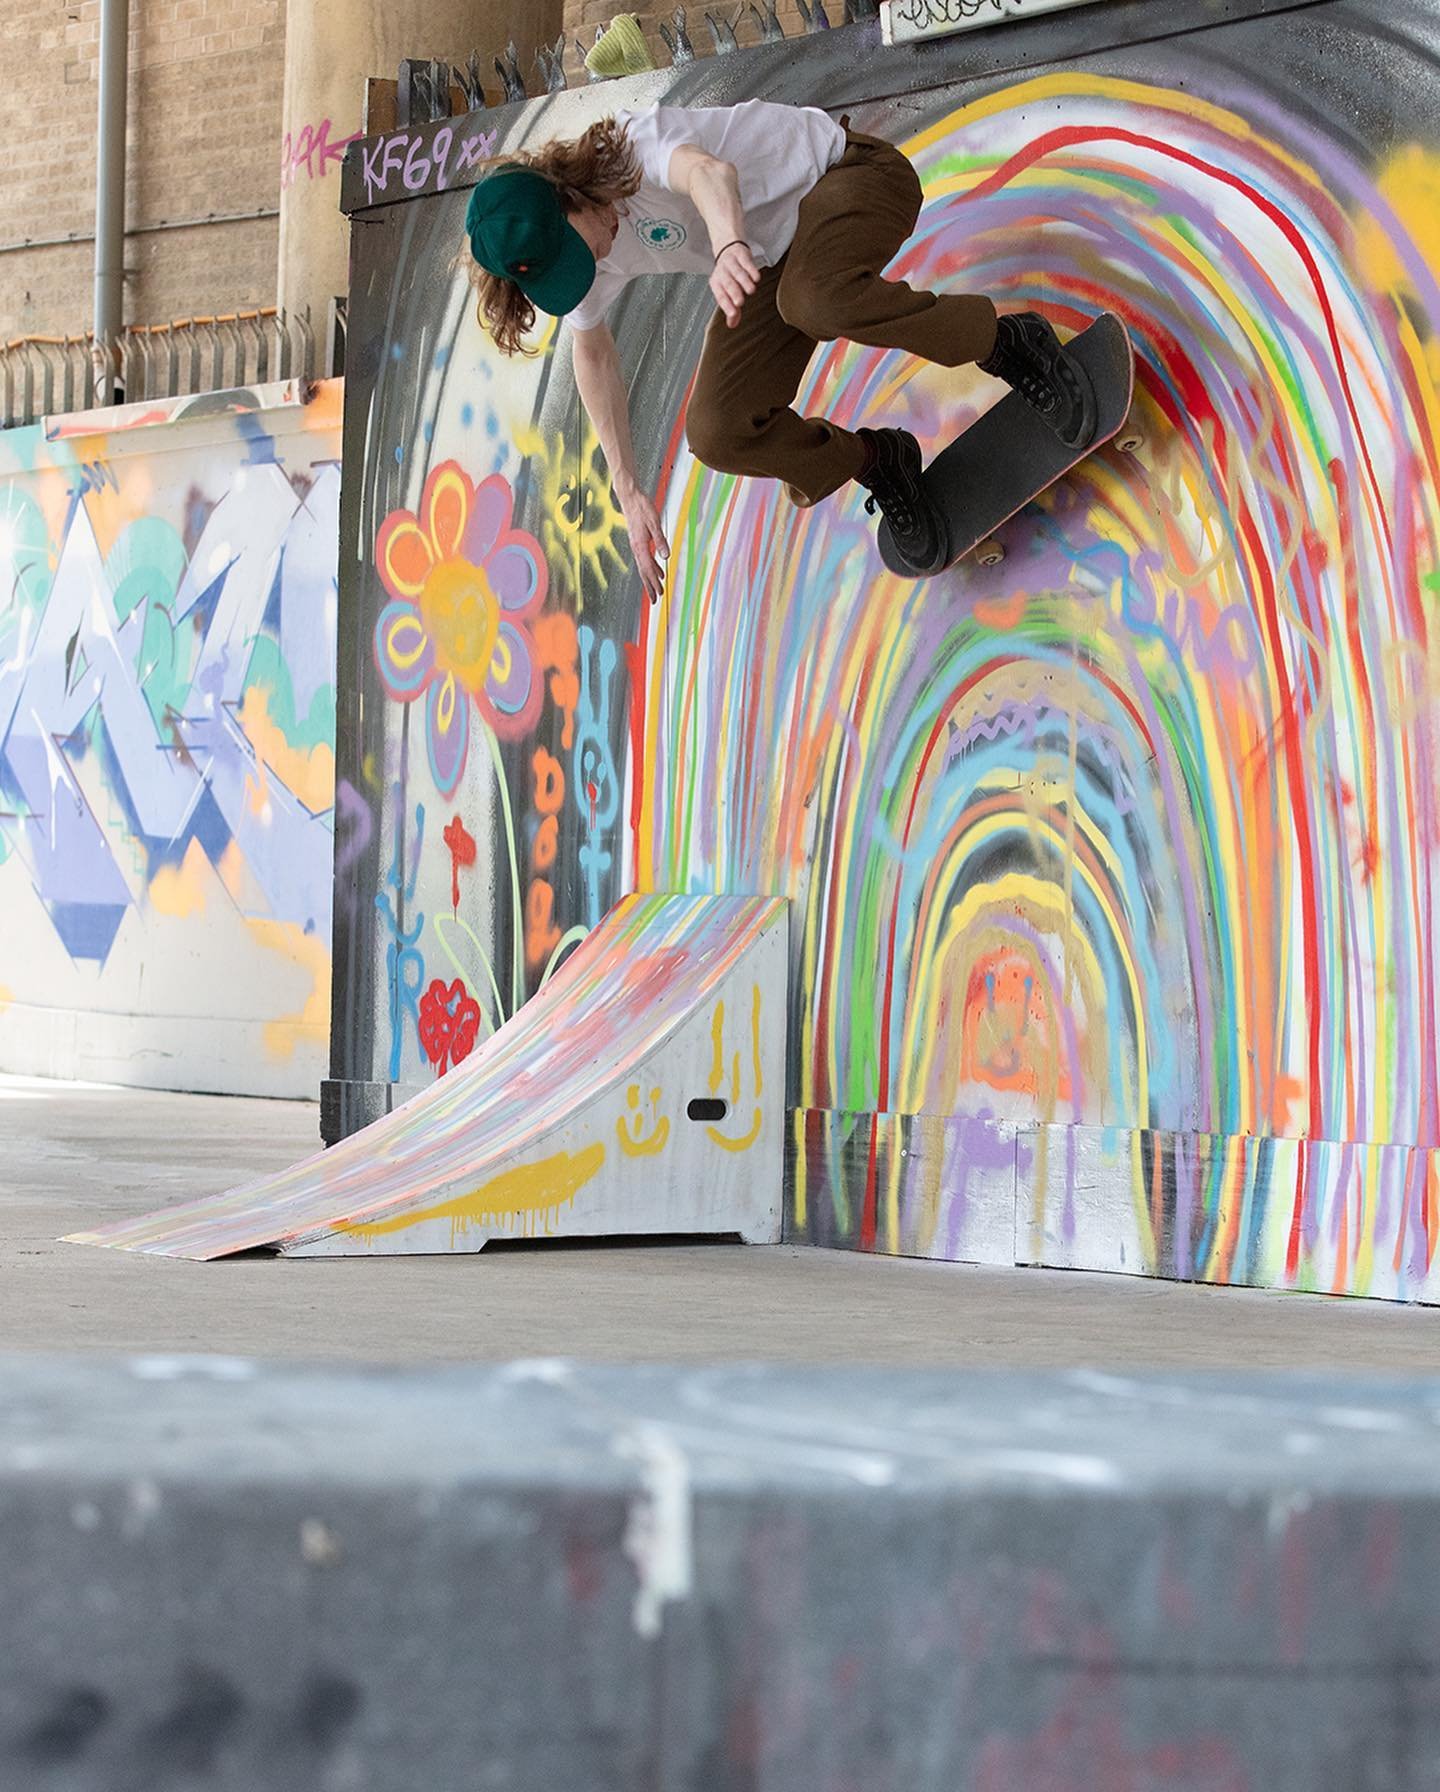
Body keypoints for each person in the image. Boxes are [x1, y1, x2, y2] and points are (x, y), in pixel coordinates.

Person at [461, 100, 1096, 596]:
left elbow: (708, 173)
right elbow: (592, 352)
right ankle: (879, 460)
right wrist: (627, 490)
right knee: (716, 430)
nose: (592, 261)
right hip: (773, 267)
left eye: (579, 246)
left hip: (849, 177)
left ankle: (1009, 345)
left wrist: (730, 243)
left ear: (566, 193)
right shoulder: (573, 257)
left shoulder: (627, 146)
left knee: (812, 299)